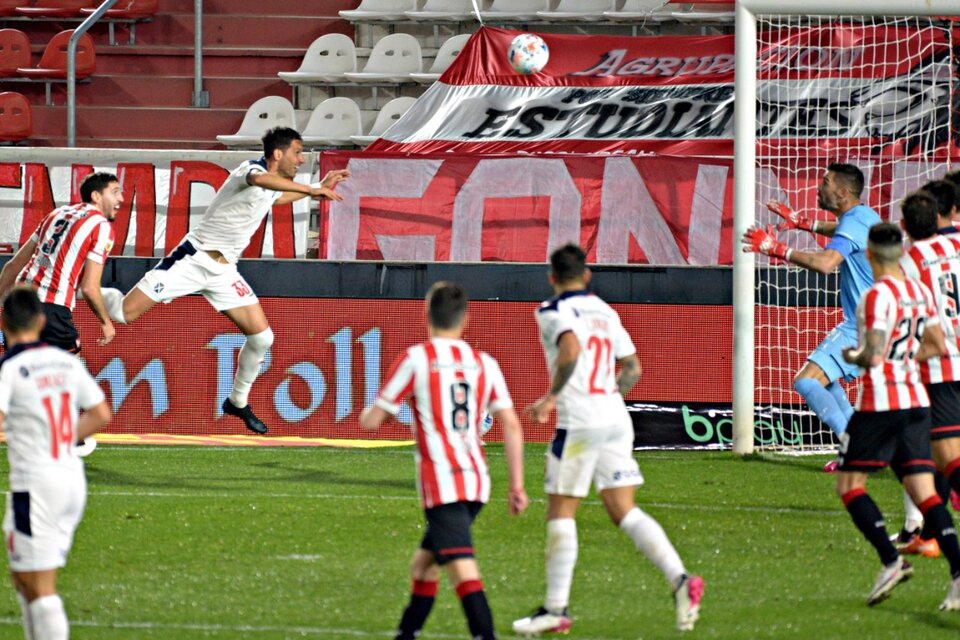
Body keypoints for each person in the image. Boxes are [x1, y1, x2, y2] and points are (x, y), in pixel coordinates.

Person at [99, 127, 350, 435]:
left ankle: (237, 401)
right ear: (277, 154)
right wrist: (311, 189)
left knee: (262, 338)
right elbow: (259, 181)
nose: (300, 159)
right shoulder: (252, 170)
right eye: (297, 152)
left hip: (224, 271)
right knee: (123, 314)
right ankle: (91, 292)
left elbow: (275, 196)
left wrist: (315, 186)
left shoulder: (271, 183)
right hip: (192, 260)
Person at [512, 244, 703, 635]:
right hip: (615, 416)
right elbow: (632, 367)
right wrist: (610, 394)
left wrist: (551, 397)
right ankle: (680, 579)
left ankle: (555, 609)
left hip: (580, 421)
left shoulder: (551, 311)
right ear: (586, 276)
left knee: (561, 511)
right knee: (623, 509)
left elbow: (570, 348)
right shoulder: (606, 310)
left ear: (552, 277)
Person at [359, 281, 527, 640]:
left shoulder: (417, 359)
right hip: (477, 481)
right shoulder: (484, 363)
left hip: (443, 483)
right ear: (465, 320)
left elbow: (373, 419)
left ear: (426, 315)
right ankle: (406, 634)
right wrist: (517, 485)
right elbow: (511, 425)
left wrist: (378, 412)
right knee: (423, 567)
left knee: (462, 569)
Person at [837, 222, 960, 610]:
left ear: (869, 255)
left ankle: (891, 562)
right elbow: (938, 344)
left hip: (880, 403)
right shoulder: (920, 291)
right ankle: (958, 574)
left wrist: (852, 356)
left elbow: (871, 355)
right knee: (924, 492)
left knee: (850, 484)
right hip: (917, 401)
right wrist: (905, 358)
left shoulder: (876, 296)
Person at [742, 163, 881, 472]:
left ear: (843, 193)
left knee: (805, 381)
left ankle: (859, 450)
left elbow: (827, 264)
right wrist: (805, 224)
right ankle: (856, 448)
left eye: (826, 182)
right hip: (879, 321)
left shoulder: (856, 223)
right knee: (823, 380)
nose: (820, 187)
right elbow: (843, 230)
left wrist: (777, 249)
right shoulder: (864, 217)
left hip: (863, 324)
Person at [0, 285, 112, 639]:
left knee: (40, 585)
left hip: (34, 486)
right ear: (42, 321)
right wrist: (61, 439)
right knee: (24, 580)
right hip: (70, 480)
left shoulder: (11, 367)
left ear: (4, 322)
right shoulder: (64, 361)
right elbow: (100, 414)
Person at [0, 171, 123, 457]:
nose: (120, 199)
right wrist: (106, 322)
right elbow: (90, 287)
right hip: (52, 307)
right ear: (96, 196)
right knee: (68, 374)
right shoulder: (101, 226)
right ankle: (68, 438)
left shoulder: (55, 215)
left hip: (19, 304)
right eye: (115, 192)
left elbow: (12, 267)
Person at [896, 189, 960, 557]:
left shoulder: (909, 261)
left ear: (904, 226)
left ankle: (928, 533)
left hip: (935, 365)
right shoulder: (953, 249)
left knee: (925, 453)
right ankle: (926, 533)